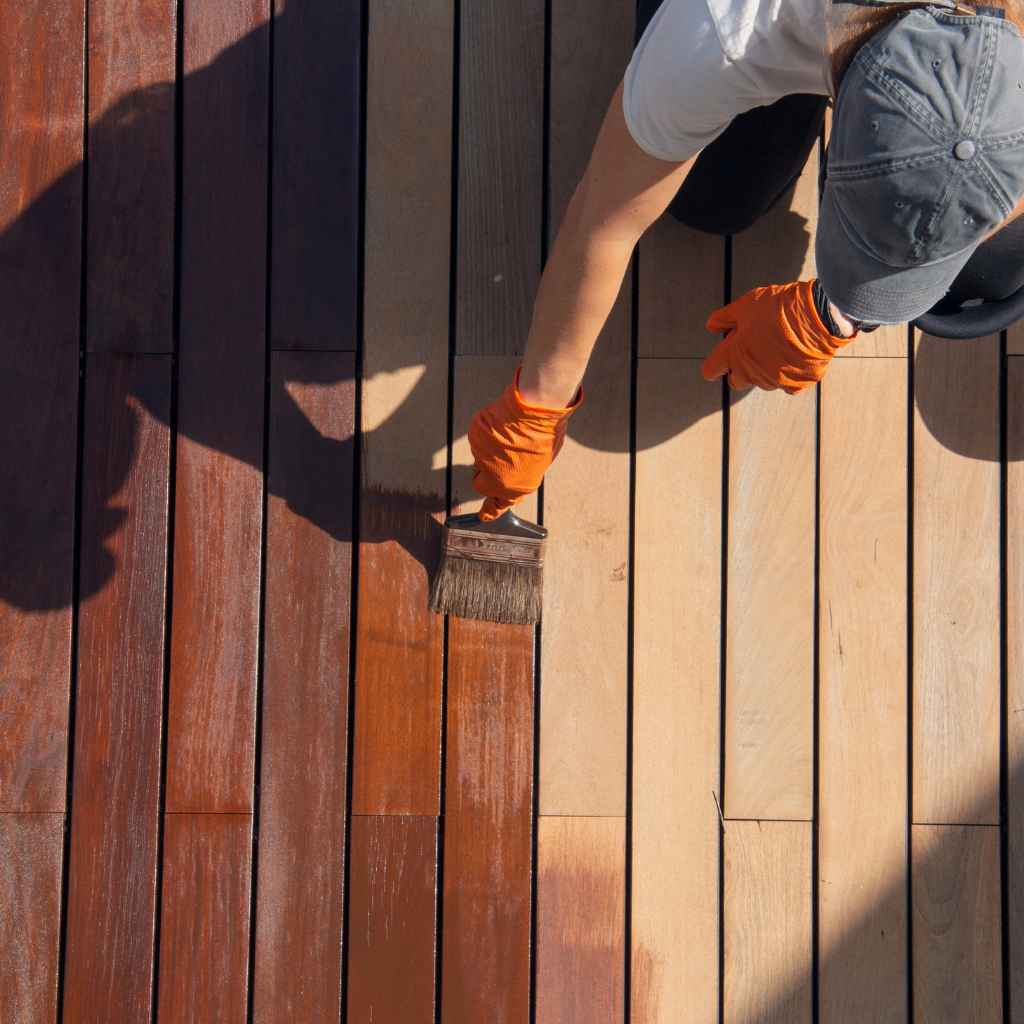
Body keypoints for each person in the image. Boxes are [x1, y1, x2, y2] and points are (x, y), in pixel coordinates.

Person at [468, 0, 1024, 522]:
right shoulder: (717, 36)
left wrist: (834, 313)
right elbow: (605, 221)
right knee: (713, 200)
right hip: (752, 31)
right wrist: (537, 406)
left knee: (996, 267)